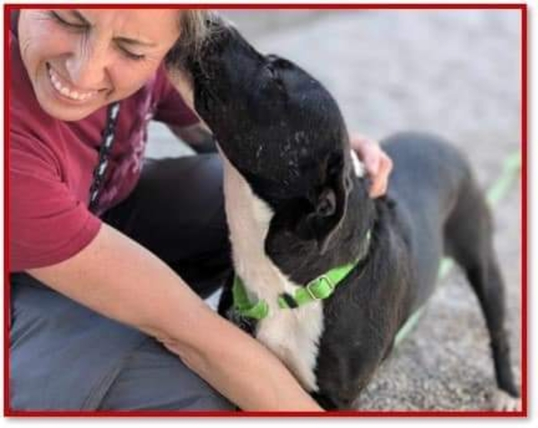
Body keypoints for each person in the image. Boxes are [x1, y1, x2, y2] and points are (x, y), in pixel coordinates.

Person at [9, 8, 393, 411]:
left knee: (262, 205)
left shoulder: (147, 33)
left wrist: (328, 154)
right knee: (215, 400)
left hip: (85, 215)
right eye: (66, 18)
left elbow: (240, 131)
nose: (83, 74)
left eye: (131, 50)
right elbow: (188, 331)